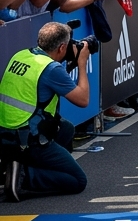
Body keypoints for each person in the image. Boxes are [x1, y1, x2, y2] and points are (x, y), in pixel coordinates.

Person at [0, 21, 90, 201]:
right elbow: (83, 100)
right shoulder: (51, 69)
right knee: (78, 181)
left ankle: (18, 164)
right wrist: (82, 63)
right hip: (27, 139)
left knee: (66, 129)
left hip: (5, 133)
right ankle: (24, 176)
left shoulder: (21, 55)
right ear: (62, 47)